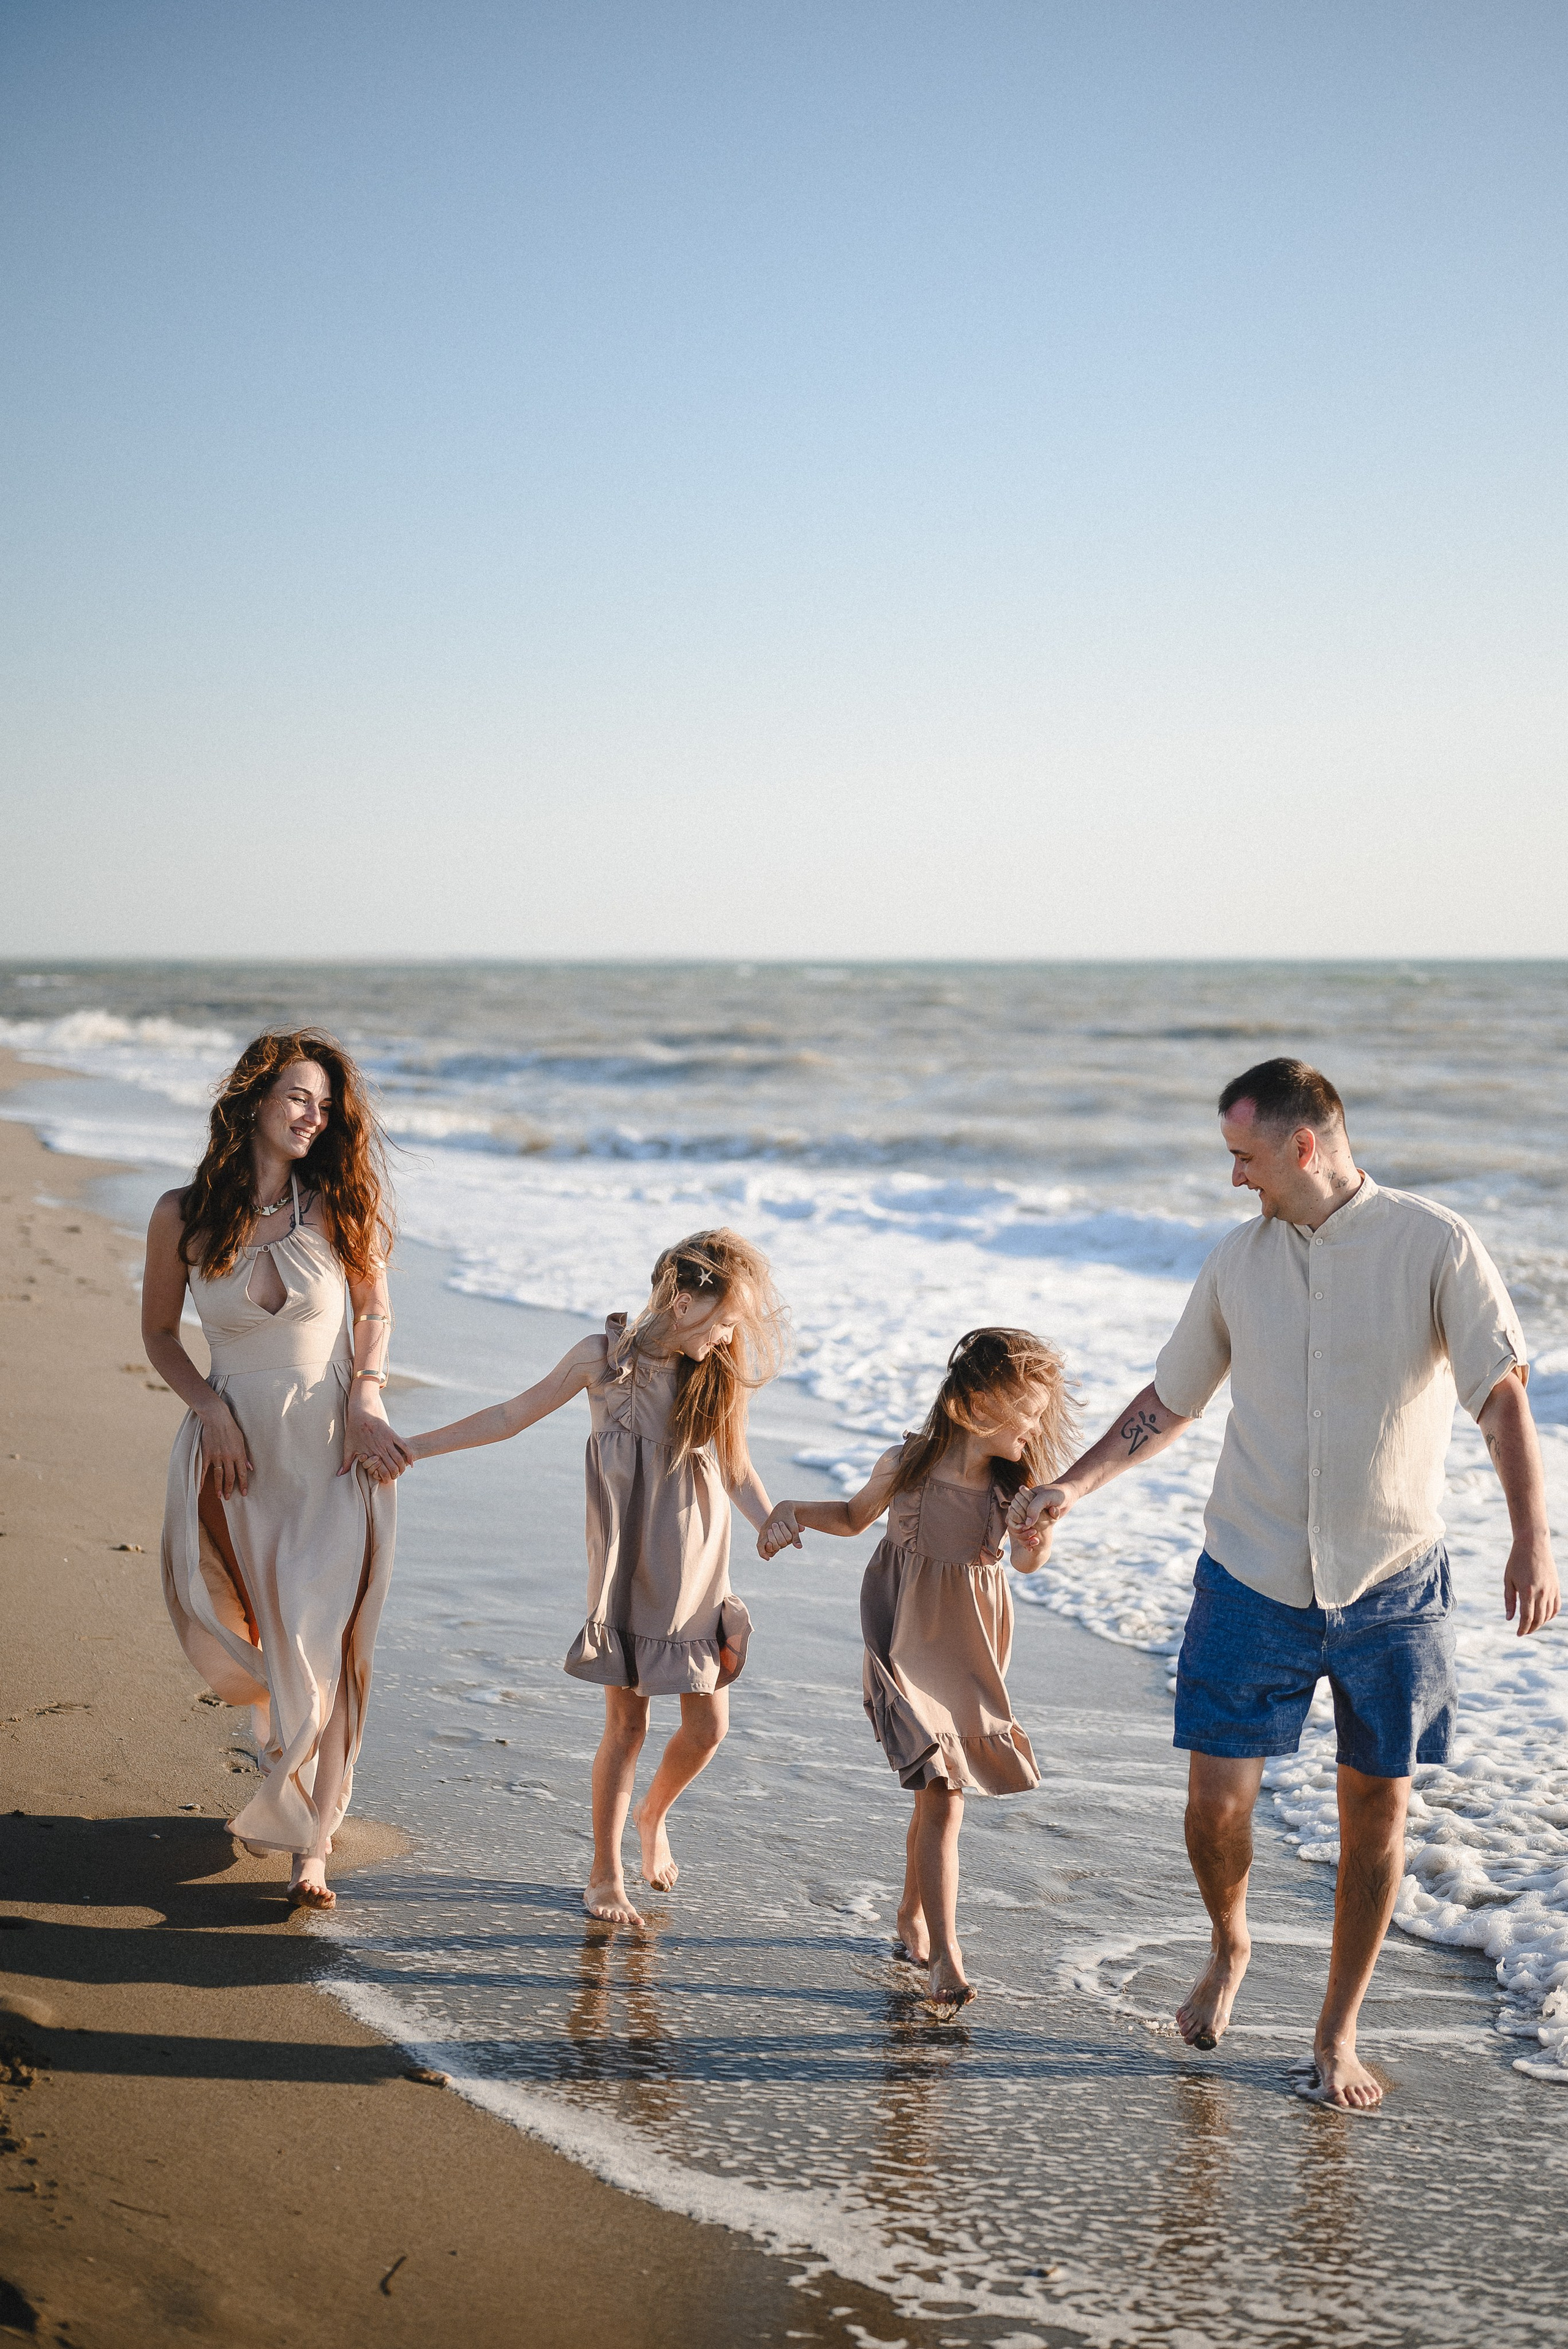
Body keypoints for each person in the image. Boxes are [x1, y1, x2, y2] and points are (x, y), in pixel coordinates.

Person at [1010, 1058, 1559, 2108]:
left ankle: (1337, 2032)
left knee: (1378, 1819)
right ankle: (1230, 1944)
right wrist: (1071, 1487)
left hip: (1393, 1584)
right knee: (1215, 1809)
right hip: (1249, 1573)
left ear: (1304, 1146)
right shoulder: (1235, 1264)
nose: (1234, 1179)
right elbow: (1166, 1403)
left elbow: (1501, 1398)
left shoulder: (1434, 1244)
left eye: (1244, 1156)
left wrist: (1534, 1538)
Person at [404, 1229, 786, 1926]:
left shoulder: (718, 1371)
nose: (732, 1335)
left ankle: (653, 1814)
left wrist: (767, 1520)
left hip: (698, 1568)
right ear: (680, 1298)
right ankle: (604, 1872)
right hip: (626, 1566)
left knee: (707, 1728)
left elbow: (736, 1467)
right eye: (725, 1317)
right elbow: (510, 1414)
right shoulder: (602, 1360)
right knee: (627, 1725)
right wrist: (414, 1447)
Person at [145, 1030, 410, 1910]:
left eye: (326, 1105)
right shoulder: (180, 1213)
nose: (314, 1115)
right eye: (300, 1096)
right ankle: (289, 1778)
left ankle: (314, 1843)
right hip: (236, 1459)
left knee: (326, 1639)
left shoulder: (334, 1204)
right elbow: (157, 1334)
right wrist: (210, 1407)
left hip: (335, 1449)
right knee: (267, 1630)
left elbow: (375, 1311)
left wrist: (369, 1399)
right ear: (255, 1097)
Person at [759, 1328, 1078, 2018]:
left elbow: (1027, 1565)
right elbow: (851, 1516)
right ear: (976, 1404)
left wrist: (1037, 1537)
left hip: (967, 1661)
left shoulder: (1013, 1490)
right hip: (903, 1646)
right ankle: (946, 1956)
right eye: (1029, 1411)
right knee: (941, 1791)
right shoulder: (905, 1463)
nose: (1038, 1427)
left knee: (935, 1792)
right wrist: (791, 1511)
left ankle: (911, 1914)